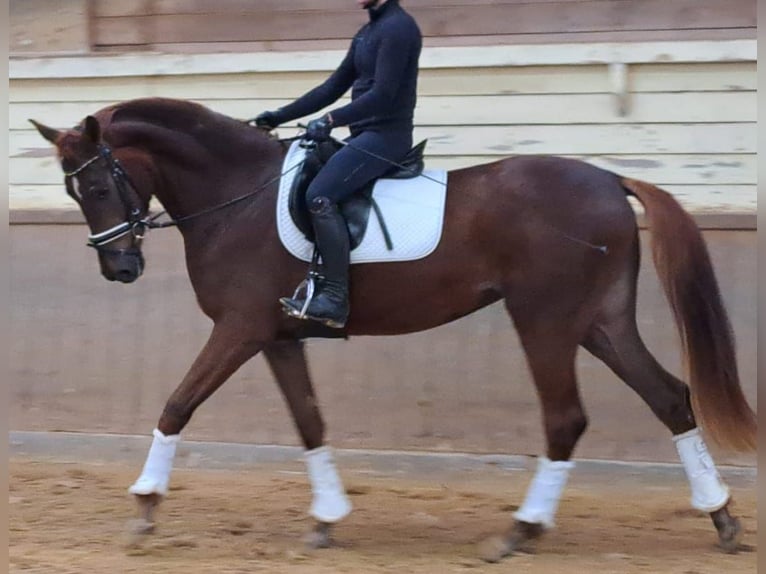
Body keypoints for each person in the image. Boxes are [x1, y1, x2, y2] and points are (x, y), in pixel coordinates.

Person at [254, 0, 422, 329]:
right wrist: (279, 115)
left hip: (386, 137)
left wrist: (331, 120)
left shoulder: (399, 28)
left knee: (320, 194)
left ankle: (334, 296)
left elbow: (383, 94)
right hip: (363, 134)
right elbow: (332, 87)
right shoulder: (368, 31)